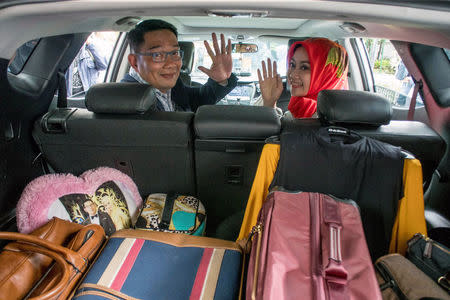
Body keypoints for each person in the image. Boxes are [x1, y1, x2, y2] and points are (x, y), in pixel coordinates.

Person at [122, 19, 238, 112]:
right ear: (135, 62)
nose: (171, 64)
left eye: (174, 53)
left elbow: (199, 99)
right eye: (157, 55)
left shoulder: (173, 85)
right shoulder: (126, 101)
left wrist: (221, 80)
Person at [257, 38, 349, 118]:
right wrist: (270, 102)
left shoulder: (328, 122)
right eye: (292, 65)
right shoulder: (300, 111)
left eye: (304, 67)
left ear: (327, 74)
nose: (292, 74)